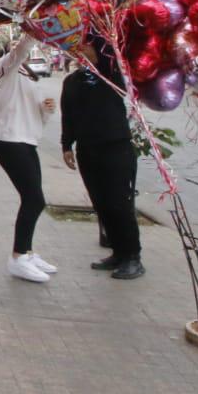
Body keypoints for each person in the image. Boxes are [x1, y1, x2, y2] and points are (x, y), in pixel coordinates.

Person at [60, 39, 143, 280]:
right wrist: (66, 145)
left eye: (86, 46)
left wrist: (101, 55)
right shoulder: (71, 81)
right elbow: (68, 116)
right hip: (87, 149)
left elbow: (124, 85)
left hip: (115, 146)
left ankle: (133, 257)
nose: (81, 51)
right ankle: (118, 252)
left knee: (119, 204)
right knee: (101, 204)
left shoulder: (111, 76)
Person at [0, 36, 58, 283]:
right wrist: (34, 28)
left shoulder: (28, 75)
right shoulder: (5, 66)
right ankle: (18, 258)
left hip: (27, 141)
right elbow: (21, 48)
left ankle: (27, 252)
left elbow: (38, 113)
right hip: (9, 141)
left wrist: (47, 108)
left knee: (35, 198)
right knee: (34, 200)